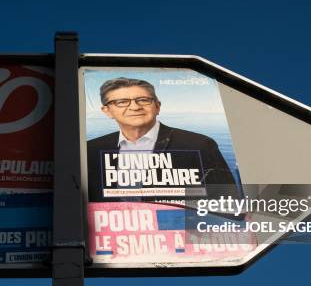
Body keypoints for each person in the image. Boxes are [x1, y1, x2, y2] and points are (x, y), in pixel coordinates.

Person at [87, 77, 237, 202]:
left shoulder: (199, 145)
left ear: (157, 107)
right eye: (121, 102)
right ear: (107, 111)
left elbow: (228, 203)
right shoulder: (90, 149)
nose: (134, 107)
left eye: (143, 100)